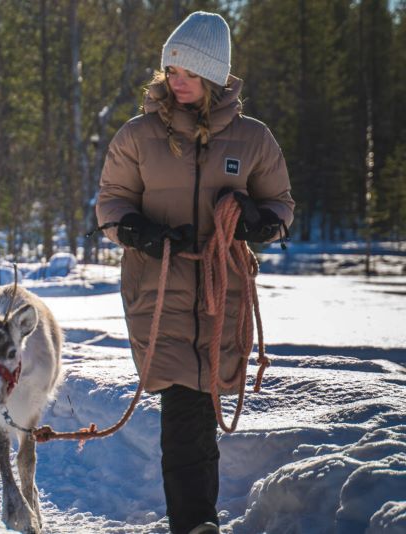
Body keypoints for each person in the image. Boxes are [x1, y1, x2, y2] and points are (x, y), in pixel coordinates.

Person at [96, 11, 295, 534]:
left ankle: (195, 519)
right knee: (184, 402)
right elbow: (112, 203)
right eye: (169, 70)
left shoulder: (254, 139)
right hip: (155, 285)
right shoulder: (137, 135)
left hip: (221, 287)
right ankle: (195, 522)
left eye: (185, 71)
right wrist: (140, 231)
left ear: (214, 76)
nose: (174, 80)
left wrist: (255, 220)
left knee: (203, 401)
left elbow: (281, 208)